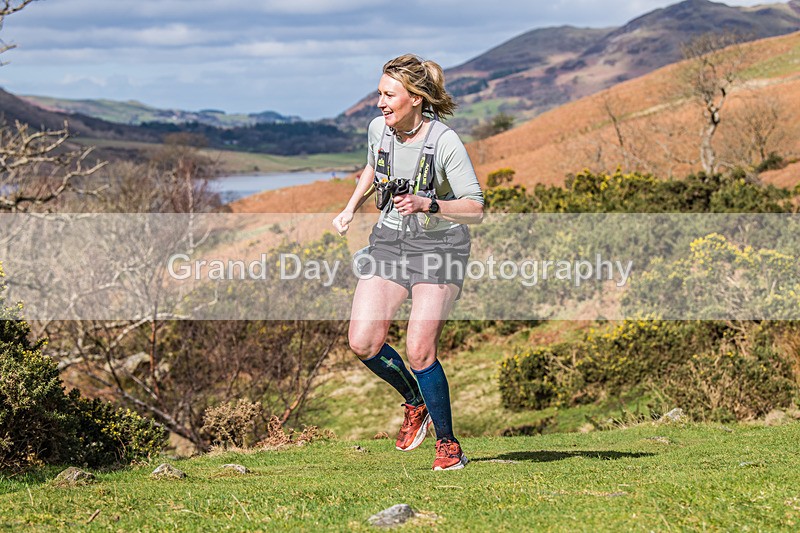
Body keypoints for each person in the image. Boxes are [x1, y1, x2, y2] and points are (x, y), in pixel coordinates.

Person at [332, 54, 484, 471]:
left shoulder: (444, 141)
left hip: (440, 248)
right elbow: (372, 166)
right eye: (379, 93)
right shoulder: (378, 130)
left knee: (420, 350)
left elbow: (476, 207)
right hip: (390, 245)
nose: (380, 103)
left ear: (415, 98)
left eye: (388, 94)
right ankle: (414, 402)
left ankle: (448, 446)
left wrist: (427, 204)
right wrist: (350, 207)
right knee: (363, 341)